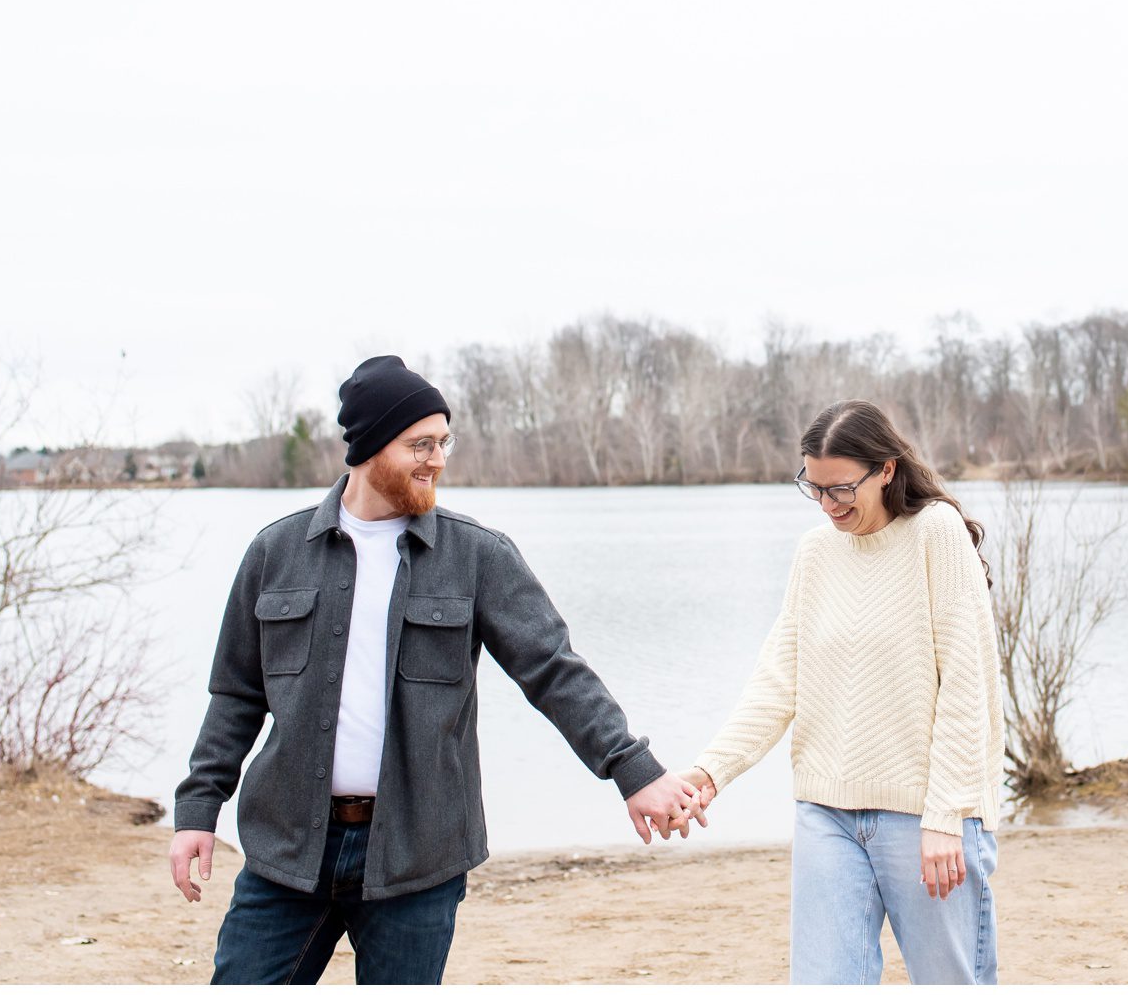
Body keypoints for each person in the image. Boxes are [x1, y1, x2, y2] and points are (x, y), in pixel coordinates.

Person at [170, 355, 704, 983]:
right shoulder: (276, 552)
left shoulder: (477, 555)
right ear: (367, 448)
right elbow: (235, 695)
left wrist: (633, 770)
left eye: (443, 441)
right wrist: (197, 809)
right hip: (286, 851)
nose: (438, 459)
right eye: (419, 444)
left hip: (417, 857)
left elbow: (555, 672)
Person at [681, 399, 1005, 984]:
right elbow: (779, 681)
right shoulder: (815, 553)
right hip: (826, 812)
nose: (829, 506)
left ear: (885, 470)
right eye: (816, 488)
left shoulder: (936, 533)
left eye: (842, 489)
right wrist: (710, 773)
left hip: (927, 816)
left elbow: (967, 682)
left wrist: (946, 815)